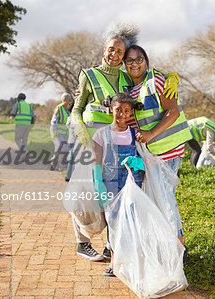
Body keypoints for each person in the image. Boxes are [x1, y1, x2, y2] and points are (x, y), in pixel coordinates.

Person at [69, 23, 179, 261]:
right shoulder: (88, 74)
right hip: (92, 140)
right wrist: (80, 132)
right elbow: (76, 109)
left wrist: (172, 77)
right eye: (111, 49)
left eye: (119, 51)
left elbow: (146, 76)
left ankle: (112, 245)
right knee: (85, 191)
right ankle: (82, 242)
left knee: (115, 191)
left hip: (118, 142)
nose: (114, 54)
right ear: (103, 49)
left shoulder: (126, 76)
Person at [123, 45, 192, 262]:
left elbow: (173, 112)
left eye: (139, 59)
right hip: (150, 153)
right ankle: (166, 243)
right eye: (130, 60)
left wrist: (151, 133)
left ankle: (180, 248)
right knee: (157, 198)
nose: (135, 64)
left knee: (165, 197)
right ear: (125, 65)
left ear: (146, 60)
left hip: (169, 149)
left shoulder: (157, 80)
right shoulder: (129, 89)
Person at [91, 93, 144, 276]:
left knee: (130, 220)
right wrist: (98, 182)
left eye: (127, 110)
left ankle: (130, 260)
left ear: (131, 112)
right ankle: (114, 261)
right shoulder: (101, 134)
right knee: (113, 221)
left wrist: (139, 164)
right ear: (111, 109)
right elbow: (96, 161)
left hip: (131, 182)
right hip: (110, 183)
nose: (122, 114)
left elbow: (145, 158)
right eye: (118, 109)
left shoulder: (135, 134)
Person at [50, 92, 73, 171]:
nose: (70, 101)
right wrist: (55, 132)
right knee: (61, 149)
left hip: (66, 133)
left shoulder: (69, 109)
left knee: (64, 149)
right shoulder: (59, 108)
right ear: (64, 100)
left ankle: (55, 164)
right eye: (69, 100)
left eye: (71, 100)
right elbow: (54, 122)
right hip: (58, 133)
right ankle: (60, 166)